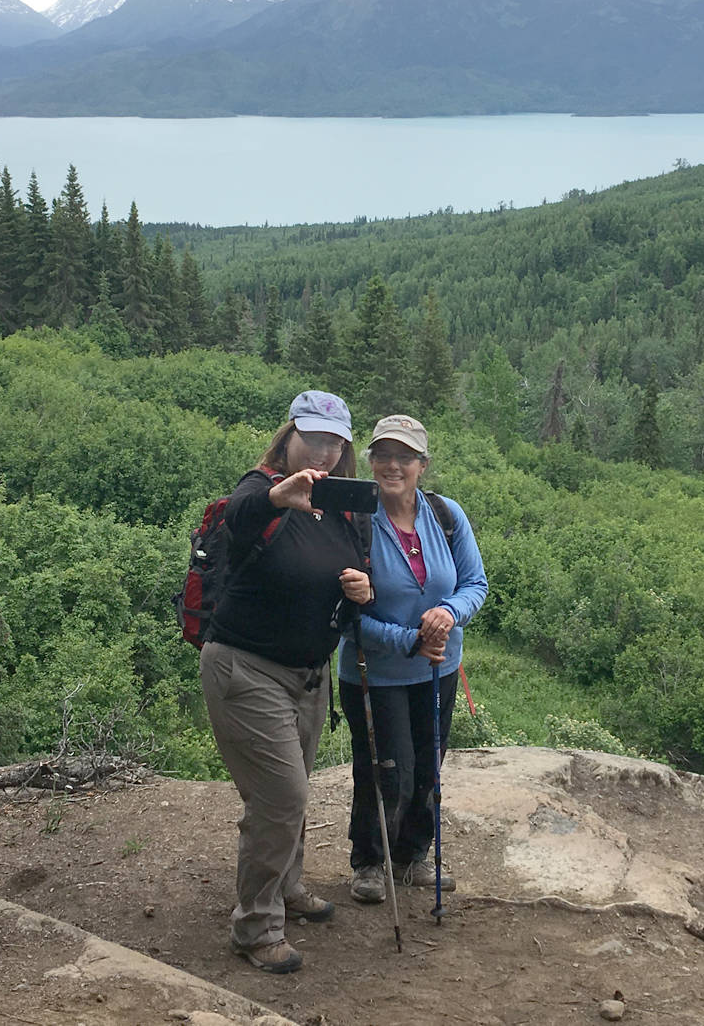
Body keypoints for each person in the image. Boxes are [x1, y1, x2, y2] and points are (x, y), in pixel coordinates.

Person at [199, 389, 374, 975]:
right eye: (312, 435)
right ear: (290, 434)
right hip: (245, 668)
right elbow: (236, 522)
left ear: (345, 445)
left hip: (308, 675)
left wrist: (359, 589)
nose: (322, 449)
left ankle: (287, 888)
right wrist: (279, 496)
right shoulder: (261, 488)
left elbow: (349, 583)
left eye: (333, 439)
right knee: (282, 796)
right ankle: (255, 927)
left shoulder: (346, 508)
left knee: (290, 792)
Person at [339, 414, 488, 904]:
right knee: (387, 770)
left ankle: (412, 856)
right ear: (371, 460)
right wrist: (410, 640)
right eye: (383, 455)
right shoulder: (357, 523)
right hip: (376, 672)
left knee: (428, 766)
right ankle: (369, 862)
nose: (392, 465)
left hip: (438, 668)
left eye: (404, 456)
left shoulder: (446, 515)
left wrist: (447, 612)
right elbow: (346, 617)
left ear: (422, 464)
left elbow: (475, 585)